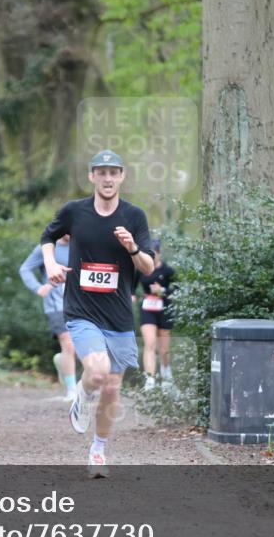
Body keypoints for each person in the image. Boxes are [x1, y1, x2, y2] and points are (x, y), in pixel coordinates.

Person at [40, 149, 154, 477]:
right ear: (91, 176)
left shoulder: (134, 216)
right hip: (81, 310)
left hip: (118, 314)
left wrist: (132, 247)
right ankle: (82, 394)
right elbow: (48, 236)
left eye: (113, 172)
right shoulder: (74, 212)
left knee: (113, 386)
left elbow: (147, 267)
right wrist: (49, 263)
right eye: (101, 172)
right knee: (98, 370)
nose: (107, 178)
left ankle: (99, 449)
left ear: (122, 177)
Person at [18, 235, 78, 402]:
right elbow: (25, 269)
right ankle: (72, 391)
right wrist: (38, 288)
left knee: (82, 346)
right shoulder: (47, 248)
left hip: (81, 303)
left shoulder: (82, 244)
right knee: (68, 343)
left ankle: (62, 361)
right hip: (56, 304)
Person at [136, 238, 176, 391]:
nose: (152, 257)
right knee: (150, 343)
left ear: (159, 253)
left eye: (154, 254)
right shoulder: (141, 269)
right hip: (148, 308)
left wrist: (164, 291)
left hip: (164, 309)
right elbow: (132, 285)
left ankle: (167, 377)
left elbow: (178, 288)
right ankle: (150, 381)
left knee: (164, 349)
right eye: (149, 254)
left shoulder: (168, 270)